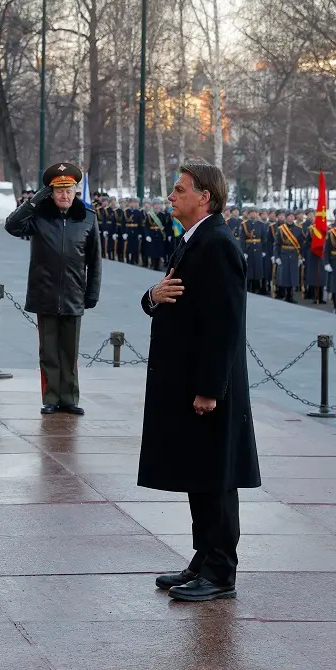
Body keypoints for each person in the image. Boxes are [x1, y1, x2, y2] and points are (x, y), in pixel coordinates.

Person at [139, 160, 260, 602]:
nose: (170, 196)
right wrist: (151, 297)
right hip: (191, 382)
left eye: (179, 189)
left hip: (211, 389)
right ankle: (202, 558)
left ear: (204, 196)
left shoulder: (218, 244)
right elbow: (170, 295)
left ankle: (220, 572)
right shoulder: (195, 240)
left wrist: (209, 388)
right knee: (200, 473)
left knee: (217, 478)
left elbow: (225, 325)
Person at [4, 162, 101, 416]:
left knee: (70, 351)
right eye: (58, 191)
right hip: (45, 294)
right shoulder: (39, 218)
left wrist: (91, 294)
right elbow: (11, 225)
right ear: (51, 192)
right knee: (48, 351)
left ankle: (69, 398)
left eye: (68, 190)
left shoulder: (88, 219)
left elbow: (95, 261)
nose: (64, 195)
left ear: (75, 191)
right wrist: (34, 201)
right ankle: (51, 398)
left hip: (73, 295)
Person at [274, 211, 303, 302]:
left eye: (292, 216)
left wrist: (301, 257)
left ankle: (291, 295)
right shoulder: (281, 229)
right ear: (286, 218)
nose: (290, 218)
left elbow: (301, 244)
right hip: (284, 254)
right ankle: (286, 295)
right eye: (289, 216)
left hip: (294, 255)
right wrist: (277, 257)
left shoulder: (298, 229)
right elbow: (277, 244)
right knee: (285, 276)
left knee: (293, 276)